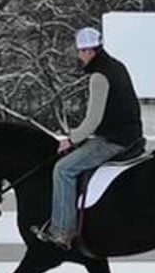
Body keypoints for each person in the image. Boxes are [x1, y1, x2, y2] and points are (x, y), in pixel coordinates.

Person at [34, 26, 144, 249]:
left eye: (80, 52)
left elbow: (93, 120)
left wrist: (72, 139)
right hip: (129, 134)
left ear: (89, 51)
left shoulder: (99, 76)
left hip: (114, 140)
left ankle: (62, 232)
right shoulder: (116, 66)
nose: (79, 56)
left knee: (63, 169)